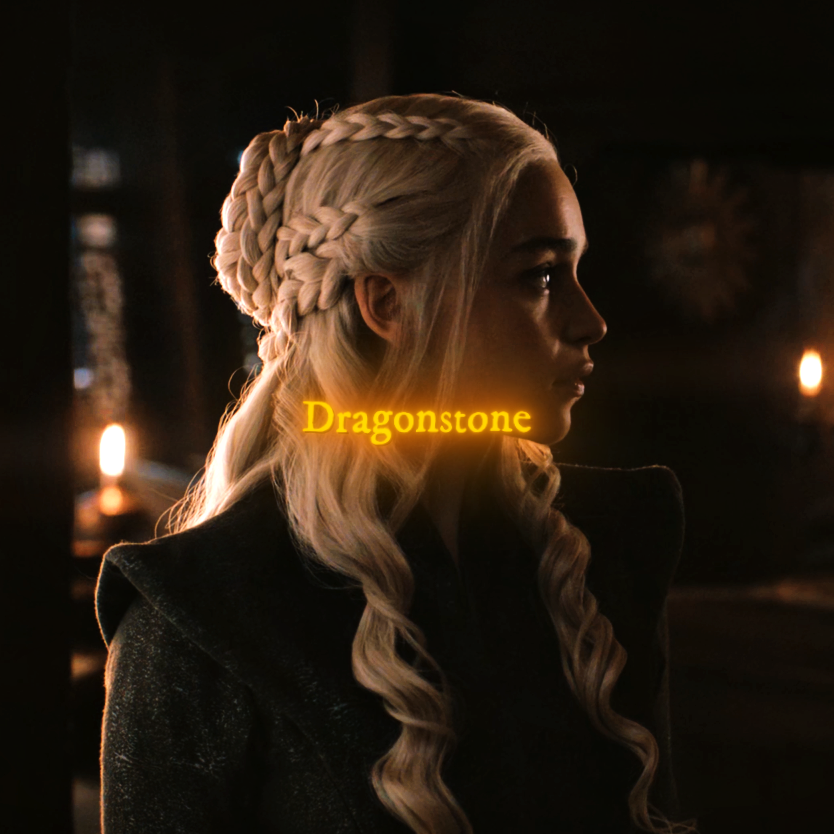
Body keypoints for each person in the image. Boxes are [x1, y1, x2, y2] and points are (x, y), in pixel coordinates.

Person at [95, 93, 700, 834]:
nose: (591, 320)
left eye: (575, 271)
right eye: (541, 276)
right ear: (387, 303)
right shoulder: (201, 618)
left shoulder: (607, 547)